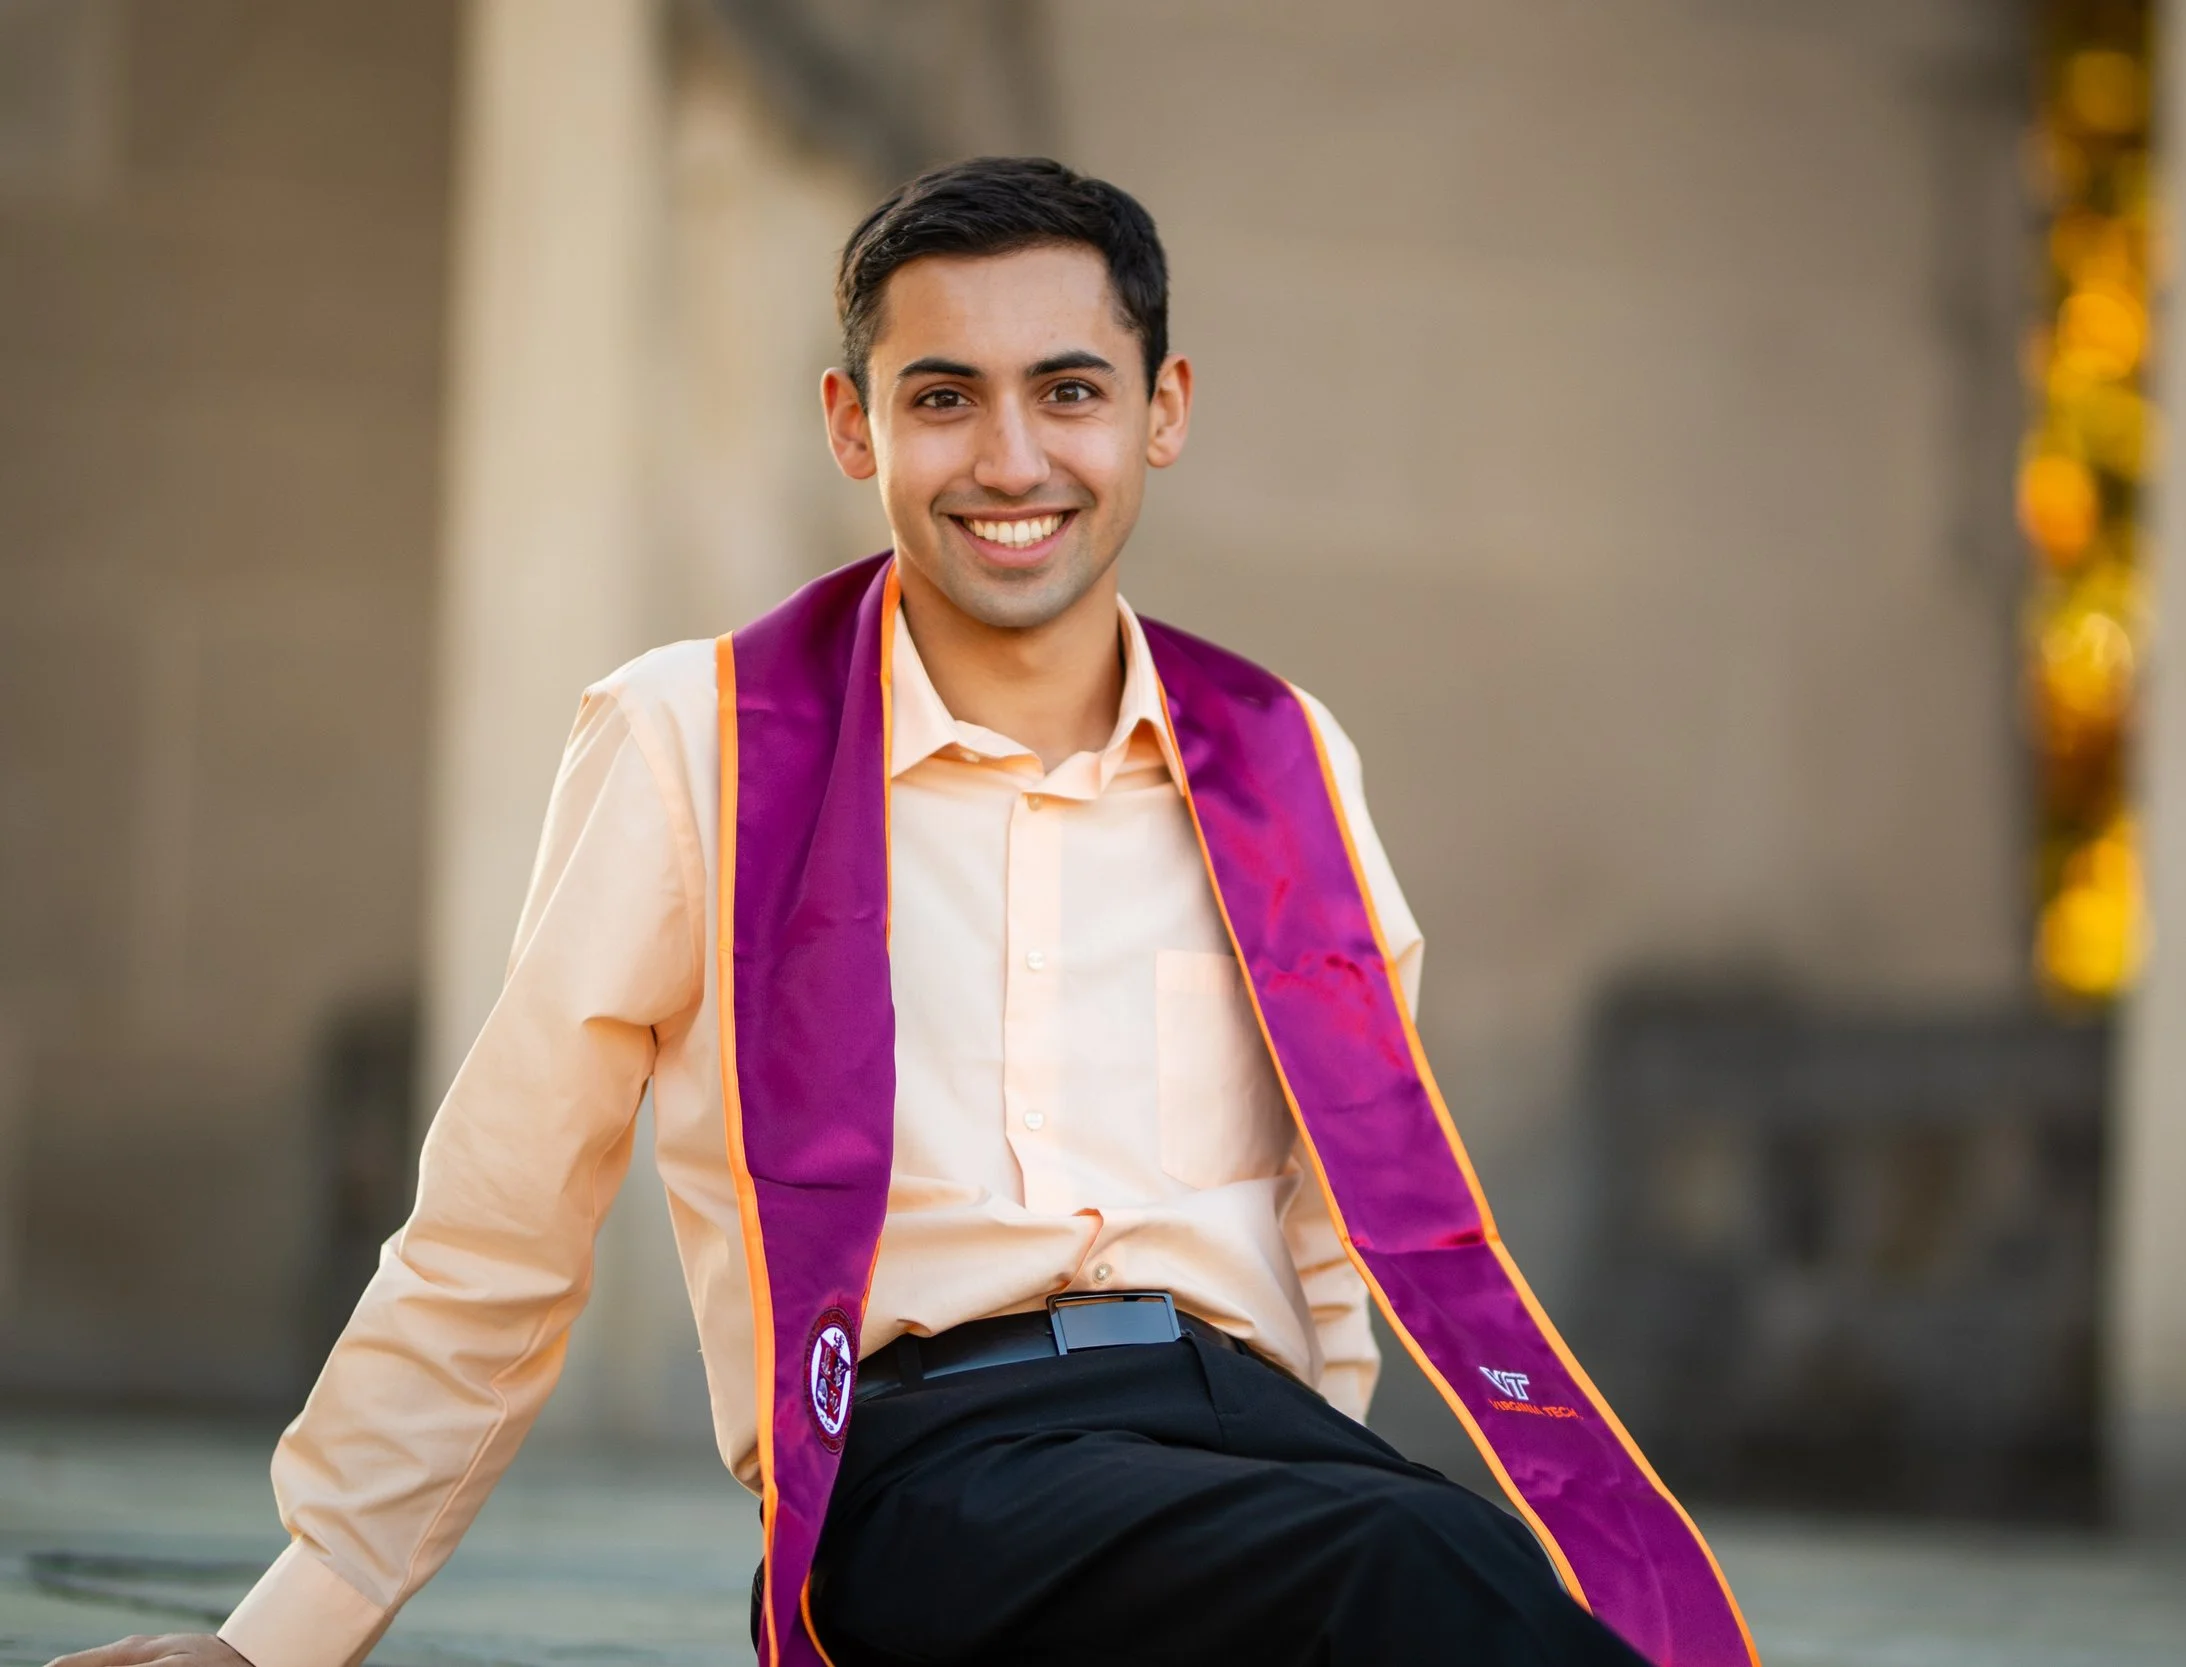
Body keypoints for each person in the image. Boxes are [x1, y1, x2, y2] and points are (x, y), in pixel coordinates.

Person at [50, 158, 1748, 1667]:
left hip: (1249, 1456)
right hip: (930, 1462)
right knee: (1419, 1566)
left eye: (1069, 390)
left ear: (1163, 408)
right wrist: (290, 1629)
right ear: (855, 425)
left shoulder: (1283, 758)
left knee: (1468, 1584)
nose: (1011, 458)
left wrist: (1282, 1484)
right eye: (946, 397)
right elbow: (505, 1210)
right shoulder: (699, 744)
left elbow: (1327, 1217)